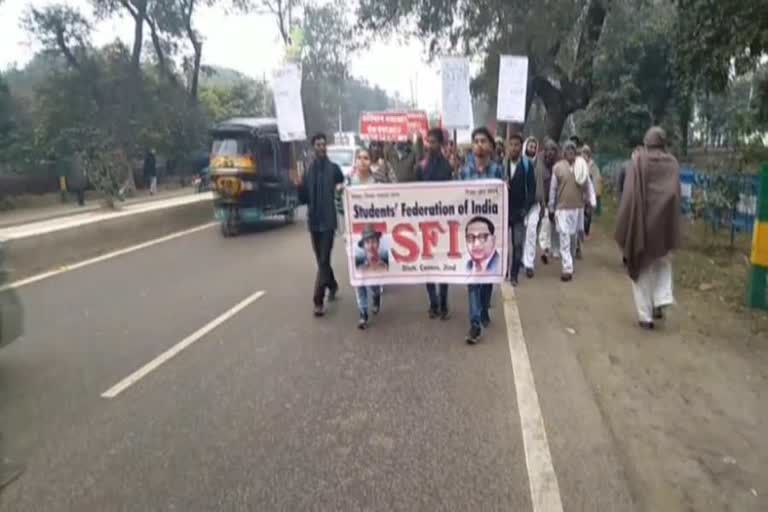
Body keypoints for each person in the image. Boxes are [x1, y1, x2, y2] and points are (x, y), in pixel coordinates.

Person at [615, 127, 681, 330]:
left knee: (642, 269)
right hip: (664, 227)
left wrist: (624, 222)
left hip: (642, 225)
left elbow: (629, 196)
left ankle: (645, 317)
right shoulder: (673, 163)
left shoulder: (639, 161)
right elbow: (675, 194)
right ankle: (662, 299)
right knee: (662, 264)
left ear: (646, 141)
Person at [460, 127, 505, 345]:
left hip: (490, 231)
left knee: (487, 278)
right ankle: (474, 324)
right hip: (470, 232)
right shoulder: (463, 171)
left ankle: (484, 308)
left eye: (483, 141)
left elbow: (503, 198)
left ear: (490, 146)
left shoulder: (497, 170)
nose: (479, 144)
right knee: (472, 279)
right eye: (475, 141)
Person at [298, 133, 345, 317]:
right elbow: (303, 198)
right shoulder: (308, 171)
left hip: (328, 222)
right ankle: (332, 284)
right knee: (321, 261)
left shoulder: (333, 169)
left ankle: (318, 300)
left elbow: (342, 181)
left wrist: (340, 187)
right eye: (318, 145)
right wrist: (298, 186)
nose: (321, 147)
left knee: (324, 260)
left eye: (324, 144)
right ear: (313, 148)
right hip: (314, 221)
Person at [349, 149, 386, 328]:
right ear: (355, 161)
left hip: (373, 232)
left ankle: (376, 295)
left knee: (373, 273)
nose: (362, 161)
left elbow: (386, 205)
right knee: (358, 275)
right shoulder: (349, 183)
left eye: (366, 158)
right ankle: (362, 312)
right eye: (359, 158)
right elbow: (341, 207)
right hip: (355, 233)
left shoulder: (377, 182)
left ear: (370, 162)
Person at [549, 141, 595, 281]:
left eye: (572, 149)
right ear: (563, 152)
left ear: (575, 152)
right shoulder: (557, 167)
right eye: (567, 149)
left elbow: (588, 185)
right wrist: (551, 206)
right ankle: (567, 269)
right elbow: (553, 189)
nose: (570, 151)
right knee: (564, 237)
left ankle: (571, 262)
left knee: (573, 238)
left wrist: (591, 201)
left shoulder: (581, 166)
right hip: (562, 209)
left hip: (578, 208)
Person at [421, 128, 454, 319]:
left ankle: (443, 302)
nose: (430, 145)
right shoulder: (423, 166)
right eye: (428, 141)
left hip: (442, 223)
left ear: (440, 144)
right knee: (427, 265)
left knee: (442, 264)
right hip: (425, 222)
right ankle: (433, 302)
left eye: (433, 142)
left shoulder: (446, 167)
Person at [505, 133, 536, 285]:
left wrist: (526, 208)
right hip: (503, 212)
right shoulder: (500, 165)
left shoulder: (527, 165)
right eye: (511, 144)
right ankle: (503, 271)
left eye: (517, 145)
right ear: (507, 146)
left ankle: (514, 275)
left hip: (519, 212)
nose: (514, 148)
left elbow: (532, 189)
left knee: (517, 245)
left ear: (521, 147)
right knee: (503, 245)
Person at [534, 140, 559, 268]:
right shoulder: (538, 162)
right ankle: (545, 249)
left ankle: (555, 248)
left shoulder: (558, 164)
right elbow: (538, 182)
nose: (550, 153)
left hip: (555, 199)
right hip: (543, 197)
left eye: (553, 150)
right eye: (548, 150)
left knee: (556, 224)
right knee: (545, 223)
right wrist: (542, 201)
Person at [581, 145, 602, 236]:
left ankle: (586, 230)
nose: (584, 156)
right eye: (583, 153)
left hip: (589, 193)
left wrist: (595, 193)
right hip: (580, 193)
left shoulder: (593, 166)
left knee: (588, 213)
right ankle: (581, 230)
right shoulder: (579, 164)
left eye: (586, 154)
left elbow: (597, 179)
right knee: (581, 213)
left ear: (589, 155)